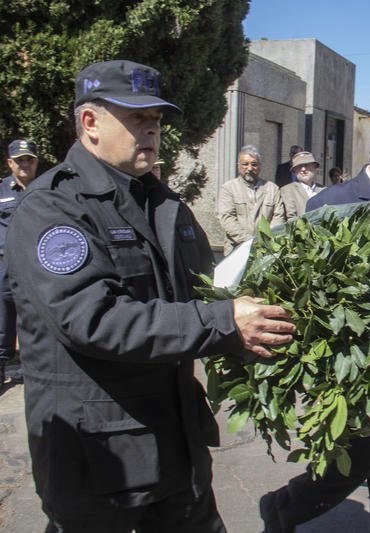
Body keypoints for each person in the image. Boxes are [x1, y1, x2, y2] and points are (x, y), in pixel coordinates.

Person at [5, 59, 296, 532]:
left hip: (176, 446)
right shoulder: (53, 208)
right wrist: (223, 321)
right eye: (137, 117)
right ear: (90, 122)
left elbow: (211, 287)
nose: (151, 130)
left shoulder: (164, 204)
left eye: (156, 120)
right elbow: (93, 320)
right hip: (99, 459)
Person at [266, 119, 370, 533]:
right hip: (355, 369)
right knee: (352, 467)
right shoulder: (331, 203)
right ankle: (282, 508)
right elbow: (308, 289)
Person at [0, 139, 39, 384]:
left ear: (36, 162)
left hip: (36, 265)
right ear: (10, 163)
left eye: (29, 159)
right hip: (4, 264)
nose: (25, 164)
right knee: (3, 318)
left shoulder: (46, 188)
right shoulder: (2, 190)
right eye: (20, 160)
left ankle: (32, 368)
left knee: (34, 315)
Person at [218, 145, 286, 255]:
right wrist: (250, 241)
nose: (249, 168)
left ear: (259, 166)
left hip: (266, 249)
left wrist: (266, 241)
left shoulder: (272, 189)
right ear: (238, 166)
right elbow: (227, 219)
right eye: (245, 164)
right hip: (237, 248)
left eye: (254, 164)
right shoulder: (228, 188)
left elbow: (278, 217)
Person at [281, 151, 324, 220]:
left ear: (314, 167)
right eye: (299, 166)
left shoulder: (324, 190)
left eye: (306, 165)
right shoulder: (287, 190)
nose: (303, 169)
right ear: (294, 171)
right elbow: (291, 218)